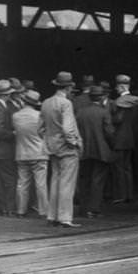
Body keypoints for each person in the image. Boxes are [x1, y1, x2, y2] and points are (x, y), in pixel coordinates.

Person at [40, 72, 84, 228]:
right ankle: (65, 217)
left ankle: (52, 215)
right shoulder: (66, 104)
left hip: (52, 147)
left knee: (55, 181)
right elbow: (67, 128)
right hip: (66, 148)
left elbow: (40, 128)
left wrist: (50, 139)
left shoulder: (46, 102)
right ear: (68, 87)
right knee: (67, 183)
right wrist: (75, 143)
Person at [75, 85, 115, 219]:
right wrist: (111, 146)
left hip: (83, 151)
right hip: (101, 150)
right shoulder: (104, 112)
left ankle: (83, 209)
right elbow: (109, 133)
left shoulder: (80, 112)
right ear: (102, 97)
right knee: (98, 181)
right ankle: (94, 209)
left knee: (84, 180)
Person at [12, 88, 49, 218]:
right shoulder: (39, 116)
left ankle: (20, 211)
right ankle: (43, 210)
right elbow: (44, 133)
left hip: (21, 153)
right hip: (39, 153)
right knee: (41, 184)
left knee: (22, 183)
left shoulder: (15, 116)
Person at [110, 74, 138, 204]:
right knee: (127, 168)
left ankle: (121, 195)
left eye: (117, 86)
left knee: (119, 168)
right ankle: (129, 194)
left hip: (119, 139)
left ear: (122, 86)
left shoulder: (121, 102)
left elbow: (117, 120)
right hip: (130, 138)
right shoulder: (135, 101)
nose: (116, 89)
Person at [0, 78, 17, 216]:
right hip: (4, 149)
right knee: (8, 179)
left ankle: (5, 207)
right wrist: (13, 133)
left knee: (5, 179)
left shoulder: (2, 106)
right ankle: (8, 208)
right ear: (6, 94)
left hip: (4, 149)